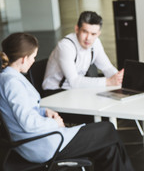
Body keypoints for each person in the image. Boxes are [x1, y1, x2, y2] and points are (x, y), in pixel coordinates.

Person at [0, 32, 134, 171]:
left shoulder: (8, 78)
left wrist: (43, 111)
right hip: (42, 144)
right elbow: (28, 123)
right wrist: (54, 123)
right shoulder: (12, 83)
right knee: (107, 129)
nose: (34, 61)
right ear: (23, 59)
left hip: (41, 139)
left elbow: (22, 111)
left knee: (109, 148)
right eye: (33, 57)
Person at [42, 11, 123, 94]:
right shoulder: (65, 46)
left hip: (75, 89)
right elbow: (74, 81)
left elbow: (107, 68)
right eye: (85, 32)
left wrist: (118, 78)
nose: (88, 38)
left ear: (98, 34)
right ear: (77, 29)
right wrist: (108, 82)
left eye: (93, 34)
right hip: (55, 91)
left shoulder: (96, 43)